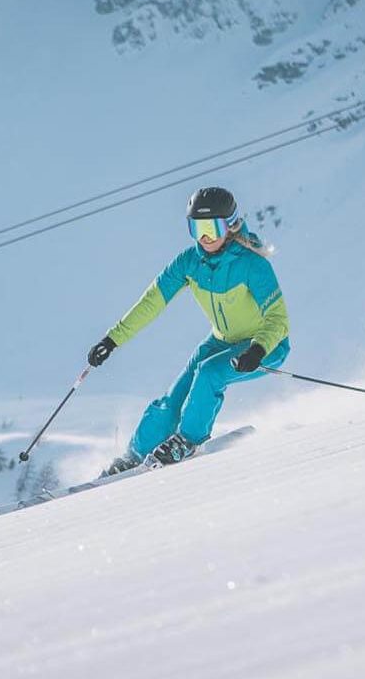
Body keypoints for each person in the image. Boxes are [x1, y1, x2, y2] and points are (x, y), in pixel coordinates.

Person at [85, 186, 291, 474]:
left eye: (212, 228)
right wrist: (112, 340)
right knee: (175, 396)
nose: (205, 237)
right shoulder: (189, 263)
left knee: (209, 373)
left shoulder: (252, 265)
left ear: (230, 226)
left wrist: (257, 349)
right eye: (197, 229)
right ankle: (134, 455)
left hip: (266, 346)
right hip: (220, 342)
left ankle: (188, 440)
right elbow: (151, 303)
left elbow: (278, 319)